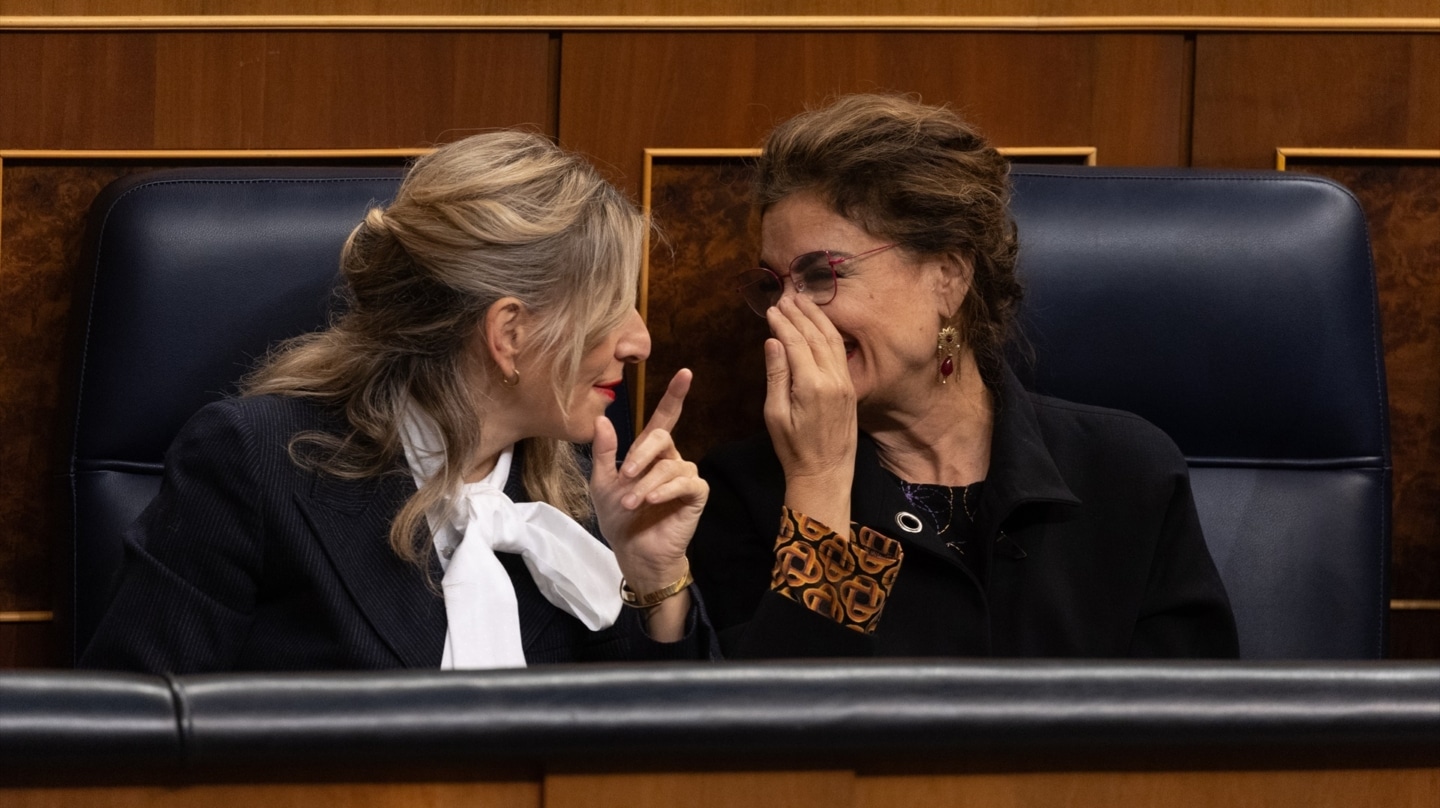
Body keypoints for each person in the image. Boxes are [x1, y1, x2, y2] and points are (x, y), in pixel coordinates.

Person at [82, 131, 716, 673]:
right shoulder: (252, 465)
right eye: (610, 308)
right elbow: (126, 747)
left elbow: (675, 762)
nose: (640, 340)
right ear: (509, 333)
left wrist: (657, 580)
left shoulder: (589, 487)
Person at [689, 94, 1238, 659]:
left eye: (820, 274)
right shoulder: (743, 490)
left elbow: (1197, 730)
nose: (786, 314)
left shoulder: (1127, 471)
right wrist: (821, 481)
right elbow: (785, 729)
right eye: (773, 286)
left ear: (947, 277)